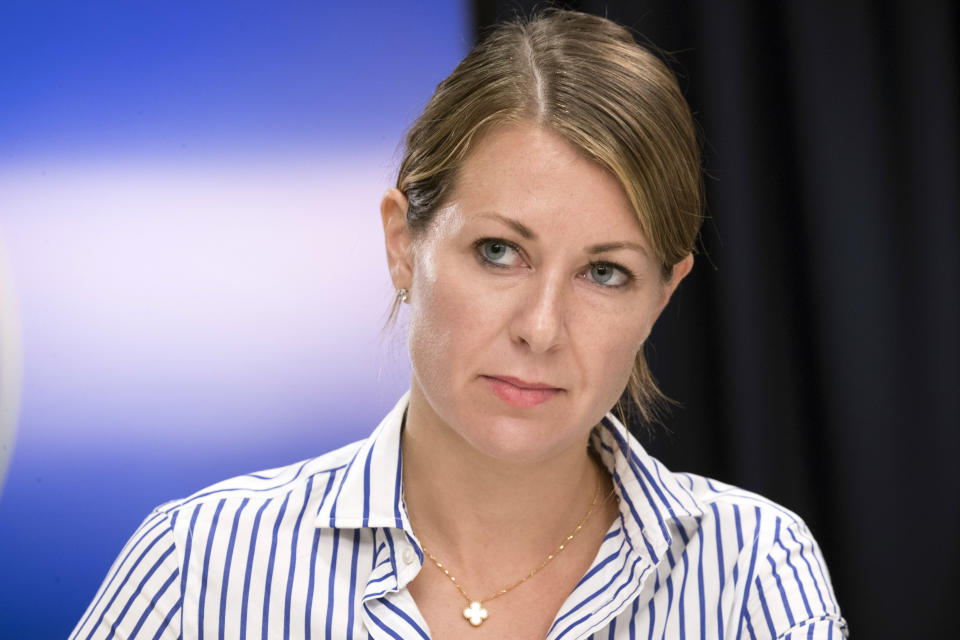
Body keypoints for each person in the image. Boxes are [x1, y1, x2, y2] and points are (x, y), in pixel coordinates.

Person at [71, 10, 847, 639]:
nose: (541, 329)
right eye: (500, 251)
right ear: (402, 243)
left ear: (663, 296)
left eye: (605, 272)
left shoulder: (754, 571)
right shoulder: (201, 566)